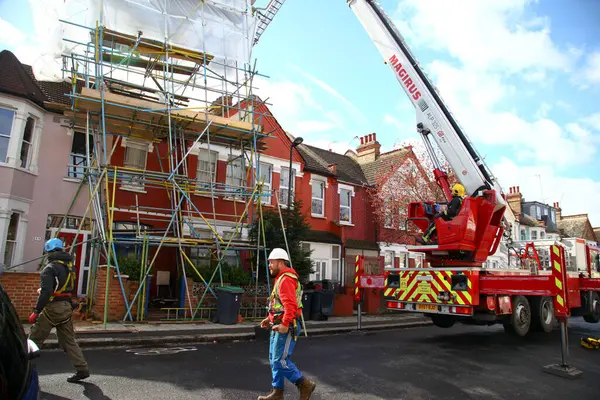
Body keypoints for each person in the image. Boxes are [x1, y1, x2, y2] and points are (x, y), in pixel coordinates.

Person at [29, 238, 90, 383]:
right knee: (68, 340)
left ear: (48, 251)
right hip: (66, 308)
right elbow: (67, 289)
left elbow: (46, 292)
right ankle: (82, 369)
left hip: (53, 309)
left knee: (34, 338)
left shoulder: (49, 269)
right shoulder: (70, 267)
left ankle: (22, 368)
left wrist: (36, 311)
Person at [258, 248, 316, 400]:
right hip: (279, 324)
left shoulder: (286, 280)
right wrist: (269, 319)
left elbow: (290, 306)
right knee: (273, 359)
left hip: (287, 326)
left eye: (271, 262)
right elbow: (279, 305)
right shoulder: (280, 279)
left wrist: (284, 324)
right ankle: (278, 392)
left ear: (281, 262)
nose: (269, 265)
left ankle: (304, 384)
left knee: (279, 360)